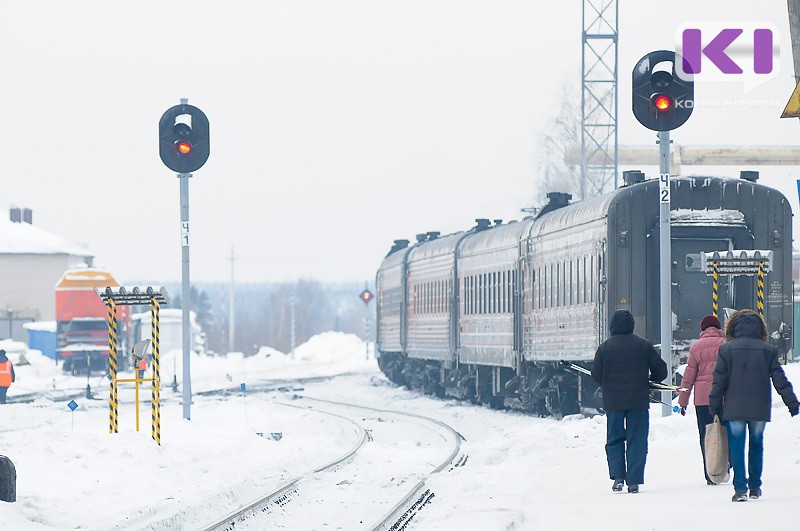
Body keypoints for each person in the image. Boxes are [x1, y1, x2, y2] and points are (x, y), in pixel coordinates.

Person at [708, 309, 799, 502]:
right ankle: (755, 487)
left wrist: (714, 405)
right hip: (759, 406)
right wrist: (791, 402)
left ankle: (740, 488)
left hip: (734, 407)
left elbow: (719, 381)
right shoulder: (768, 350)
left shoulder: (726, 350)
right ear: (760, 329)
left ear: (733, 329)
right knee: (757, 445)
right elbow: (779, 379)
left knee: (737, 446)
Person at [591, 310, 668, 494]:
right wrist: (650, 382)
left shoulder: (604, 348)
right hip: (638, 401)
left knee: (614, 438)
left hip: (613, 402)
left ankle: (618, 477)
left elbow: (596, 375)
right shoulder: (644, 345)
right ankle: (633, 481)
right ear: (632, 325)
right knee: (637, 439)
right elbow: (662, 371)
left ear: (612, 326)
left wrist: (608, 384)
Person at [677, 314, 725, 485]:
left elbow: (688, 378)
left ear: (703, 329)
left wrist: (683, 401)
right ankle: (726, 466)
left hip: (703, 400)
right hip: (723, 397)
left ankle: (710, 474)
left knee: (706, 436)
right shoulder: (726, 344)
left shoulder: (696, 347)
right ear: (719, 328)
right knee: (725, 433)